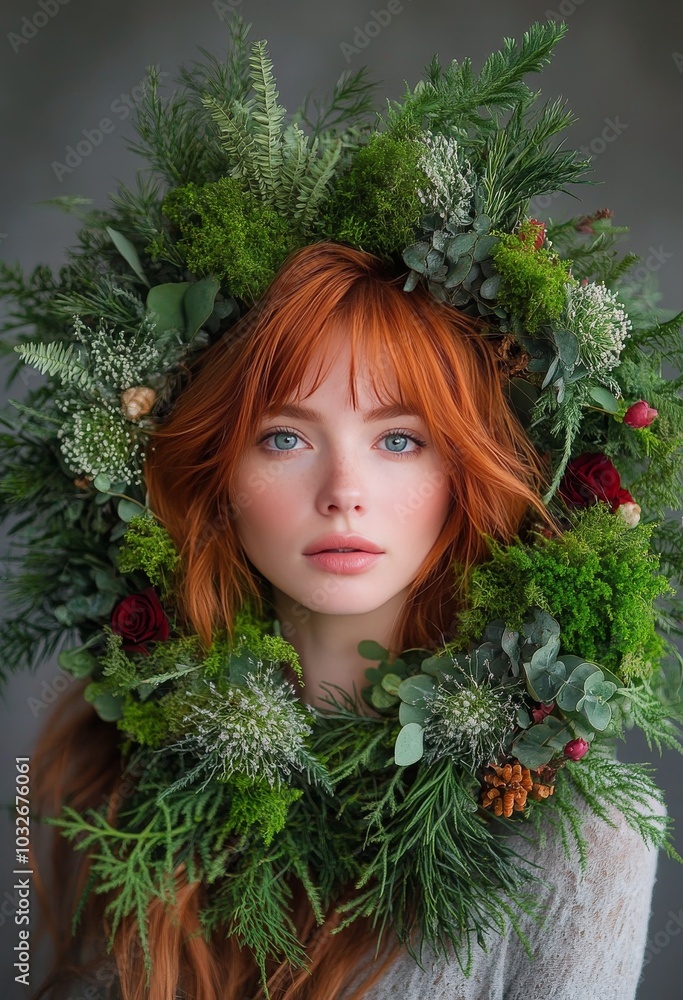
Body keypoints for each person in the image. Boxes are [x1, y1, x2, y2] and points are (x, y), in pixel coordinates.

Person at [28, 242, 665, 1000]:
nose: (343, 491)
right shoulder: (106, 770)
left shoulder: (580, 838)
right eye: (284, 437)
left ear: (462, 468)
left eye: (399, 439)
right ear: (215, 467)